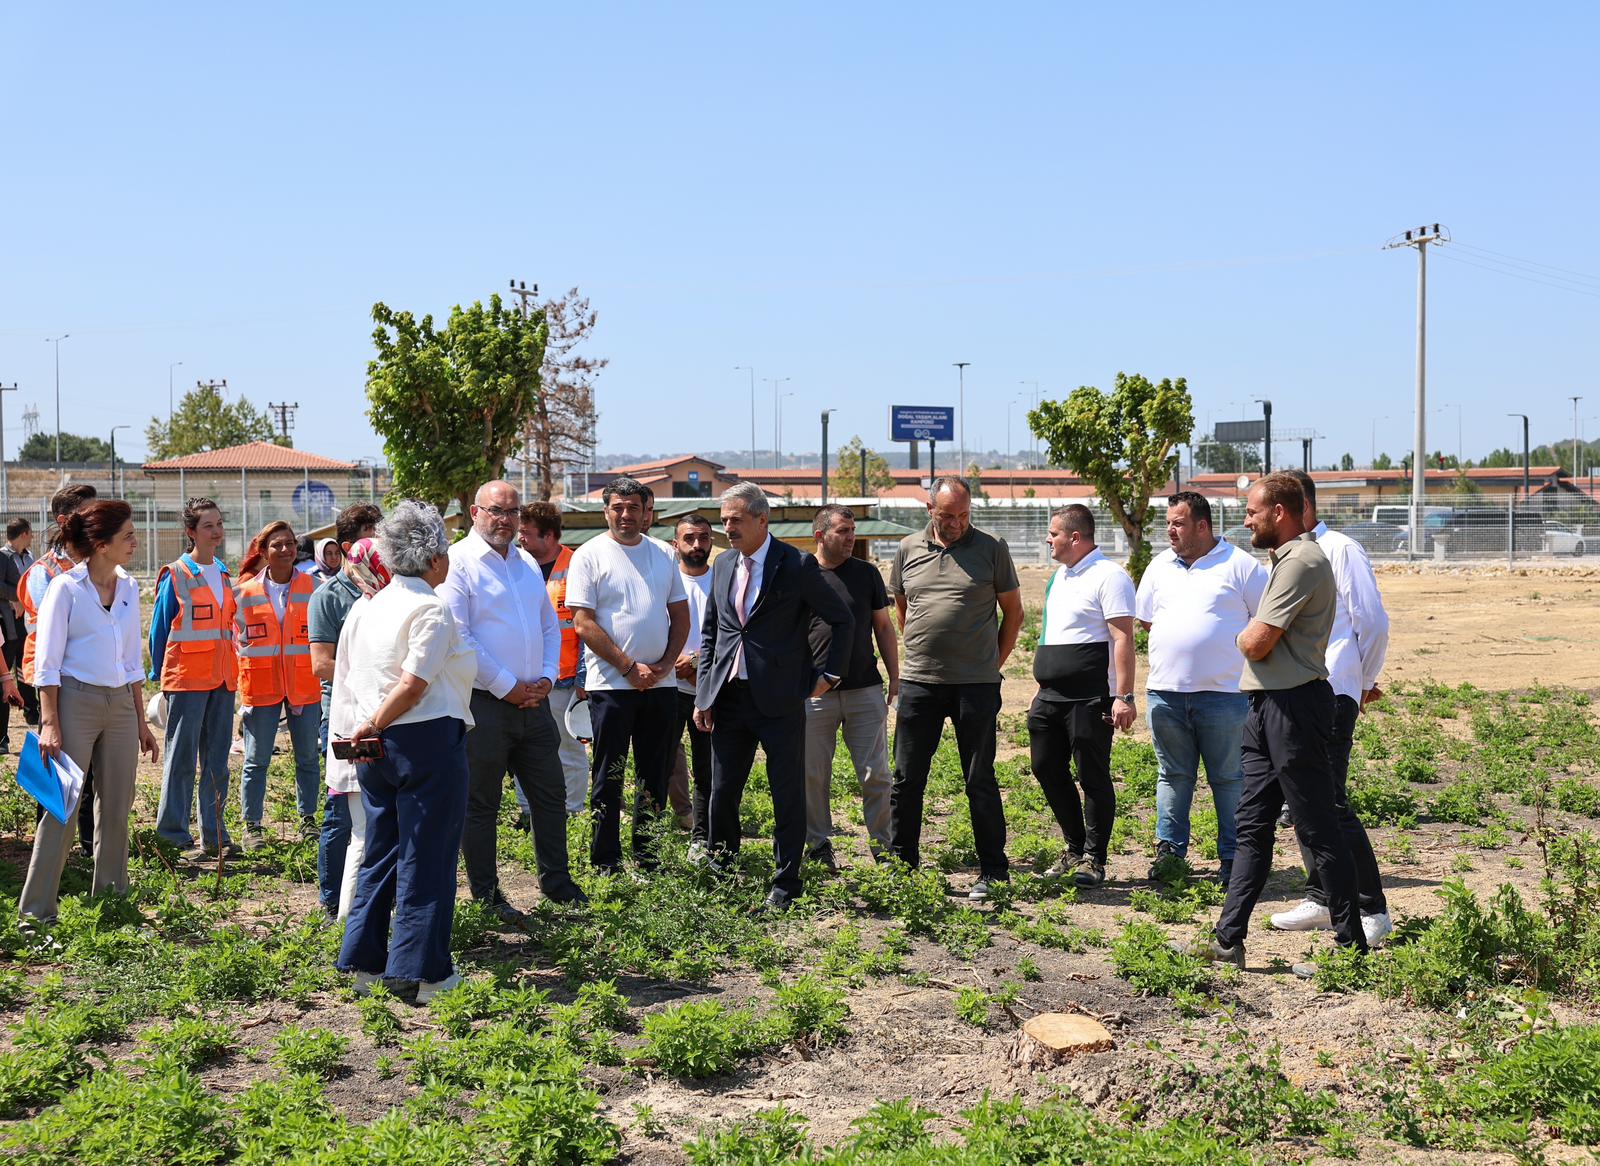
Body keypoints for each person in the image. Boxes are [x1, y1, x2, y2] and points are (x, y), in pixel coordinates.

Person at [1195, 472, 1367, 975]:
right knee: (1252, 825)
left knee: (1318, 826)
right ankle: (1228, 939)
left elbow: (1255, 642)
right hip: (1268, 706)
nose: (1246, 519)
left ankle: (1351, 948)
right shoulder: (1284, 561)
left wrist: (1241, 634)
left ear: (1280, 512)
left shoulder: (1302, 561)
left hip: (1294, 708)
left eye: (1253, 511)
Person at [333, 501, 475, 1003]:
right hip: (424, 739)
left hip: (374, 747)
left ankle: (364, 962)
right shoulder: (430, 608)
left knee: (382, 850)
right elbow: (414, 684)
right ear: (434, 558)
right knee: (428, 855)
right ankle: (423, 973)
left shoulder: (372, 604)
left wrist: (367, 728)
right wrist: (377, 722)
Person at [694, 483, 852, 910]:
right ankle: (723, 871)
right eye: (724, 520)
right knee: (723, 791)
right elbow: (712, 632)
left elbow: (841, 619)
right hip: (729, 697)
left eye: (736, 520)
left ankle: (786, 883)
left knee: (786, 793)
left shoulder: (795, 564)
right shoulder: (723, 563)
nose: (728, 528)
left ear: (762, 520)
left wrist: (829, 675)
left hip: (780, 700)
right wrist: (704, 693)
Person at [438, 480, 586, 919]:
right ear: (475, 513)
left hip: (534, 702)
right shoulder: (458, 563)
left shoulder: (525, 562)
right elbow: (459, 637)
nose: (505, 520)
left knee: (550, 794)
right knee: (482, 803)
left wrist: (545, 677)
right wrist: (507, 685)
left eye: (513, 512)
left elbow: (548, 626)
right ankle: (487, 896)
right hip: (485, 703)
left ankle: (557, 883)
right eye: (496, 511)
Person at [1269, 470, 1392, 947]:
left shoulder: (1339, 549)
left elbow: (1372, 621)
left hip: (1334, 690)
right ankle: (1323, 897)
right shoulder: (1287, 556)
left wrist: (1363, 682)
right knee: (1306, 802)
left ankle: (1371, 908)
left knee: (1331, 804)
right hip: (1300, 692)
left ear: (1299, 507)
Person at [19, 500, 158, 923]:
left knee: (116, 810)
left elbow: (132, 663)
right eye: (128, 536)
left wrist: (141, 721)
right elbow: (47, 664)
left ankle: (112, 906)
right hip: (74, 703)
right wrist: (49, 724)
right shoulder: (65, 588)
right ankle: (36, 916)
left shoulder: (129, 588)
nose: (135, 543)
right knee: (60, 808)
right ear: (101, 544)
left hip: (121, 705)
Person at [887, 477, 1024, 902]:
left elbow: (1014, 614)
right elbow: (904, 608)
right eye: (948, 515)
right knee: (907, 777)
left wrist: (990, 665)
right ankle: (903, 868)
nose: (957, 523)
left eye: (964, 514)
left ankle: (993, 871)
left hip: (976, 686)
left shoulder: (992, 548)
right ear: (929, 509)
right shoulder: (908, 548)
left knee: (979, 778)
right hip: (920, 683)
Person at [1135, 491, 1267, 886]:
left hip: (1225, 696)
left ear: (1203, 526)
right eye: (1168, 523)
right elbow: (1147, 620)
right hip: (1165, 694)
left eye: (1178, 523)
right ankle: (1170, 854)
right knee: (1172, 776)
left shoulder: (1241, 566)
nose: (1170, 530)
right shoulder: (1159, 566)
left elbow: (1267, 620)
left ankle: (1234, 859)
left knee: (1229, 779)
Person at [568, 476, 688, 873]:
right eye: (618, 508)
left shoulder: (664, 554)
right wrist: (628, 667)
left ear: (645, 512)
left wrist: (665, 665)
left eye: (633, 507)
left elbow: (680, 616)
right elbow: (583, 623)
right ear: (606, 511)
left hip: (660, 685)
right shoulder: (589, 555)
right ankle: (606, 859)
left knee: (654, 773)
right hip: (611, 686)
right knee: (610, 773)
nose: (625, 515)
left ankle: (648, 856)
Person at [1028, 505, 1137, 889]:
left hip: (1090, 697)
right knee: (1045, 767)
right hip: (1050, 696)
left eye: (1054, 533)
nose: (1048, 539)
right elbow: (1053, 634)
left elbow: (1123, 638)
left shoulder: (1109, 575)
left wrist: (1124, 696)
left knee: (1092, 776)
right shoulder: (1059, 576)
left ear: (1075, 537)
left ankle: (1093, 858)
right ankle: (1074, 848)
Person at [803, 505, 898, 869]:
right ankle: (818, 846)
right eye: (842, 531)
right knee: (812, 776)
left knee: (876, 775)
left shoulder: (866, 573)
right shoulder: (800, 575)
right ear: (820, 535)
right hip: (814, 694)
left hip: (864, 690)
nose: (851, 537)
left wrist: (895, 678)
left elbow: (884, 628)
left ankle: (884, 849)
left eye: (852, 530)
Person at [152, 497, 240, 857]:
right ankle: (172, 835)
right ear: (191, 532)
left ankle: (214, 835)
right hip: (186, 680)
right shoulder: (175, 574)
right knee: (181, 760)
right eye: (208, 526)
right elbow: (159, 631)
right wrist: (161, 677)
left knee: (218, 763)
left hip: (222, 679)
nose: (216, 531)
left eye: (219, 524)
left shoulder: (224, 573)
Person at [310, 502, 383, 916]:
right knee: (342, 813)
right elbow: (322, 664)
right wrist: (376, 673)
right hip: (342, 717)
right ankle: (331, 901)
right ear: (346, 548)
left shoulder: (386, 592)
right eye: (369, 541)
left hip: (381, 715)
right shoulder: (330, 597)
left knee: (372, 816)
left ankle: (362, 905)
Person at [234, 521, 323, 847]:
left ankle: (308, 820)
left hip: (304, 683)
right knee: (256, 759)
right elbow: (233, 640)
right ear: (263, 551)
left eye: (289, 543)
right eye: (277, 545)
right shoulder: (243, 593)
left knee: (308, 758)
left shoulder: (315, 588)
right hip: (262, 684)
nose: (285, 550)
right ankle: (253, 826)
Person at [20, 488, 98, 849]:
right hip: (55, 682)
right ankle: (49, 848)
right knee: (55, 763)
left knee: (90, 769)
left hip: (90, 680)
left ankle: (87, 844)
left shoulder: (97, 565)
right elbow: (58, 630)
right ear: (65, 521)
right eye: (88, 513)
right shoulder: (44, 572)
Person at [322, 538, 392, 919]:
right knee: (366, 836)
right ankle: (351, 921)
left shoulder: (365, 606)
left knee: (364, 835)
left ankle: (352, 920)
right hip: (362, 734)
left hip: (354, 732)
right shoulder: (371, 612)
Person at [517, 502, 590, 818]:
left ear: (548, 536)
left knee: (569, 749)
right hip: (524, 680)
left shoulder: (576, 566)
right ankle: (527, 812)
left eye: (526, 533)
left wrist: (583, 678)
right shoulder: (516, 566)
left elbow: (587, 626)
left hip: (564, 679)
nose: (520, 538)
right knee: (524, 750)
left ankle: (572, 813)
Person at [667, 514, 714, 843]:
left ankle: (704, 836)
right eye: (689, 538)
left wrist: (697, 661)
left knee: (708, 767)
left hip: (709, 688)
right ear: (676, 544)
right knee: (662, 761)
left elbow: (733, 632)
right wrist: (673, 662)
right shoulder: (667, 582)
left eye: (703, 538)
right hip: (669, 685)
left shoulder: (723, 581)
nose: (697, 545)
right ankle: (660, 834)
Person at [0, 518, 33, 751]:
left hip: (21, 624)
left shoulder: (27, 558)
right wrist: (17, 597)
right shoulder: (4, 557)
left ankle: (31, 709)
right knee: (5, 676)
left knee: (23, 666)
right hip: (8, 624)